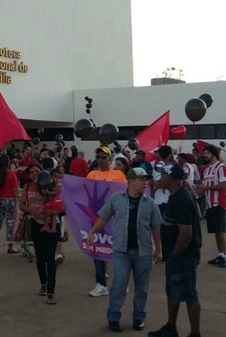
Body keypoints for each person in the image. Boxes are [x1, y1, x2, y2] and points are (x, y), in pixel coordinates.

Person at [86, 167, 162, 332]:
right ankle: (113, 317)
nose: (145, 183)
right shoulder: (116, 199)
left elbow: (156, 228)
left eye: (146, 180)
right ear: (131, 181)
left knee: (142, 287)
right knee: (119, 284)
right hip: (121, 251)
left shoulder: (151, 203)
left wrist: (158, 250)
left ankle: (139, 317)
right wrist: (92, 232)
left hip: (143, 252)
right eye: (141, 179)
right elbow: (104, 217)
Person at [149, 164, 202, 337]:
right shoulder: (175, 196)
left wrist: (175, 254)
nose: (160, 179)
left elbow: (186, 234)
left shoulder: (181, 199)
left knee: (188, 294)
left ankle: (195, 333)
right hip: (176, 255)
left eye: (163, 175)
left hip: (184, 256)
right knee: (173, 291)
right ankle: (171, 327)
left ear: (170, 178)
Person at [86, 146, 127, 298]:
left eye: (104, 157)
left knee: (119, 250)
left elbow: (126, 193)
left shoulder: (118, 174)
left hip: (116, 219)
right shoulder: (92, 174)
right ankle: (101, 283)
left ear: (110, 159)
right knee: (97, 250)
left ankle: (121, 281)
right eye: (98, 157)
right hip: (97, 219)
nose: (101, 160)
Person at [20, 168, 65, 304]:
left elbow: (63, 206)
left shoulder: (54, 186)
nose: (34, 173)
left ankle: (51, 291)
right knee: (40, 257)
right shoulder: (27, 187)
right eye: (32, 172)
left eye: (37, 171)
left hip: (52, 225)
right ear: (28, 175)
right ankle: (43, 284)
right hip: (36, 224)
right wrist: (29, 209)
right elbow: (21, 204)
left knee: (50, 258)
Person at [193, 144, 226, 268]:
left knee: (220, 230)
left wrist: (206, 188)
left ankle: (223, 256)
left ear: (213, 154)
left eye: (207, 153)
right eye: (204, 153)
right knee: (216, 231)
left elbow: (223, 186)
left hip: (219, 203)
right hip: (210, 204)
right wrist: (195, 193)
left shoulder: (221, 167)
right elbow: (203, 188)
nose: (205, 155)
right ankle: (220, 254)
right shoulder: (206, 170)